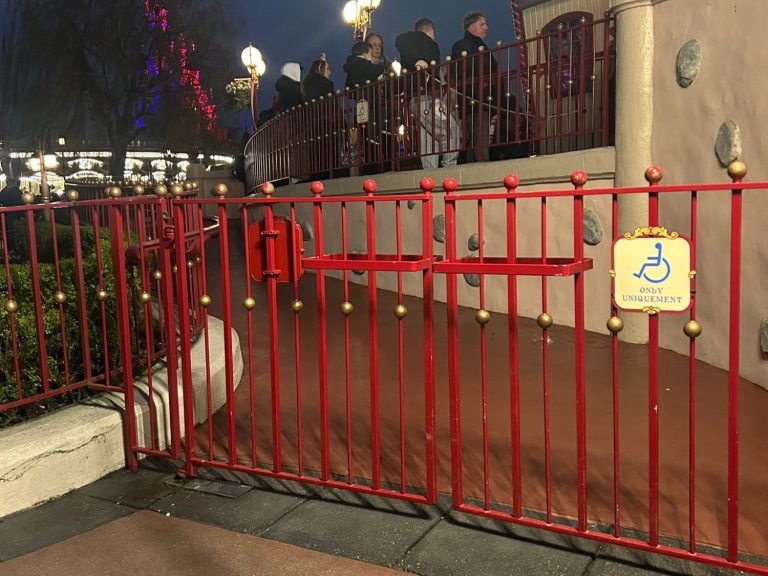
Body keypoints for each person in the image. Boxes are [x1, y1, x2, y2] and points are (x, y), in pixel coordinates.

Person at [395, 17, 460, 170]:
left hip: (418, 97)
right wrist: (417, 60)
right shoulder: (424, 41)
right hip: (428, 96)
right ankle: (449, 167)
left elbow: (400, 40)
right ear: (431, 31)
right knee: (451, 130)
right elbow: (400, 40)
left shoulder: (410, 41)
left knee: (429, 139)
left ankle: (430, 175)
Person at [451, 11, 498, 163]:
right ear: (471, 27)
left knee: (472, 144)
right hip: (479, 101)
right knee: (480, 145)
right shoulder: (474, 47)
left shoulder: (463, 46)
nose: (486, 28)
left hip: (470, 102)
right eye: (482, 24)